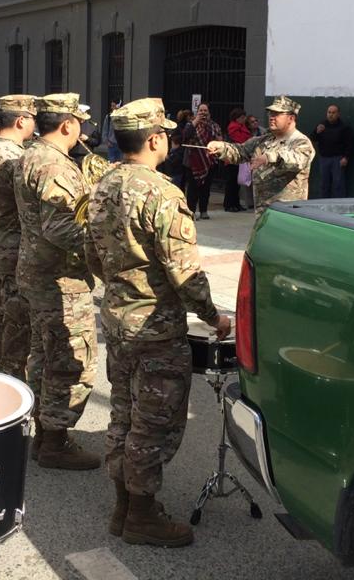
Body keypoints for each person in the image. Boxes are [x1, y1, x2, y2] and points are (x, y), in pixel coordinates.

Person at [85, 98, 230, 547]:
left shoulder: (103, 185)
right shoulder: (161, 193)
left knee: (124, 417)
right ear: (153, 139)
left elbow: (91, 254)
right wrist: (214, 316)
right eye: (164, 132)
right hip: (155, 328)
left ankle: (123, 507)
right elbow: (184, 272)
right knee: (154, 423)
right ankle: (142, 516)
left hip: (117, 320)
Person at [14, 92, 100, 470]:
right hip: (59, 277)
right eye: (79, 121)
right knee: (72, 360)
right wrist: (105, 243)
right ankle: (55, 440)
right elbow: (63, 228)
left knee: (44, 354)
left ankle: (44, 432)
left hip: (37, 270)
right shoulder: (56, 167)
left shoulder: (31, 155)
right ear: (68, 124)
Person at [0, 94, 37, 378]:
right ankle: (10, 377)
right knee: (14, 319)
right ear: (22, 120)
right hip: (11, 245)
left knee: (0, 314)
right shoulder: (13, 156)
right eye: (33, 118)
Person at [207, 96, 315, 215]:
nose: (272, 117)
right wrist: (221, 148)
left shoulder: (301, 142)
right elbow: (240, 151)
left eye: (277, 114)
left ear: (291, 118)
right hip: (263, 212)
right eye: (270, 114)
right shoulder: (264, 140)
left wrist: (270, 157)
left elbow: (296, 161)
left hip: (288, 214)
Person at [182, 103, 221, 220]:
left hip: (209, 160)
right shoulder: (191, 124)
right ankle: (191, 212)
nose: (203, 112)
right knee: (193, 189)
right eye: (201, 110)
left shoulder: (214, 125)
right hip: (193, 161)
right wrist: (196, 121)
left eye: (205, 110)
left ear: (209, 113)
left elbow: (219, 138)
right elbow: (185, 135)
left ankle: (203, 210)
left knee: (206, 188)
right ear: (197, 112)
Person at [310, 104, 354, 198]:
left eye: (333, 113)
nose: (331, 115)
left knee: (338, 184)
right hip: (324, 159)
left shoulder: (344, 127)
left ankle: (340, 205)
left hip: (338, 159)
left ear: (338, 114)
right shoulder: (322, 125)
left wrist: (346, 157)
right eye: (329, 112)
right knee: (324, 184)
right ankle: (323, 204)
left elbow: (350, 144)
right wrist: (317, 132)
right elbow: (313, 138)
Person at [224, 108, 251, 212]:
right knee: (231, 182)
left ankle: (236, 203)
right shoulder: (233, 127)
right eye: (242, 117)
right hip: (232, 158)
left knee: (237, 183)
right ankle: (228, 204)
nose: (244, 119)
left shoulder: (242, 127)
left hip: (240, 157)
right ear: (237, 118)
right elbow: (240, 140)